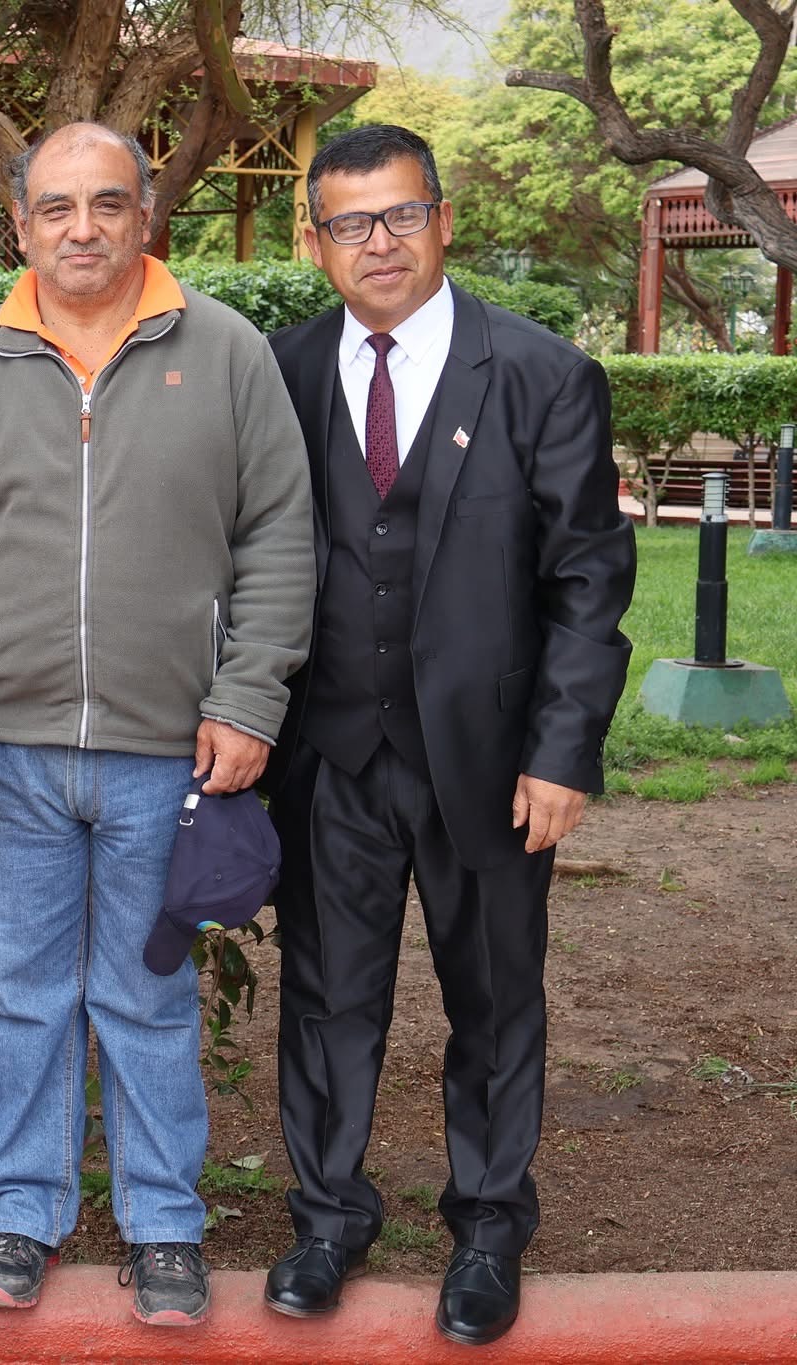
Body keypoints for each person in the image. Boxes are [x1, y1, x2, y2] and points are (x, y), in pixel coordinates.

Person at [0, 122, 315, 1321]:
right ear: (19, 224)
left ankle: (162, 1225)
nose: (81, 228)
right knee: (18, 994)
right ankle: (22, 1213)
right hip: (5, 753)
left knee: (146, 996)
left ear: (143, 215)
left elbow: (279, 537)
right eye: (56, 207)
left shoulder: (224, 352)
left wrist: (247, 696)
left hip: (166, 754)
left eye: (106, 203)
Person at [258, 125, 634, 1345]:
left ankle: (485, 1229)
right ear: (315, 242)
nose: (378, 242)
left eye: (400, 214)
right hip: (328, 756)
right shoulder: (278, 371)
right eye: (349, 223)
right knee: (326, 999)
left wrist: (562, 751)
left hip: (490, 760)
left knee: (494, 997)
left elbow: (586, 582)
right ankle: (327, 1219)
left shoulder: (539, 373)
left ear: (442, 220)